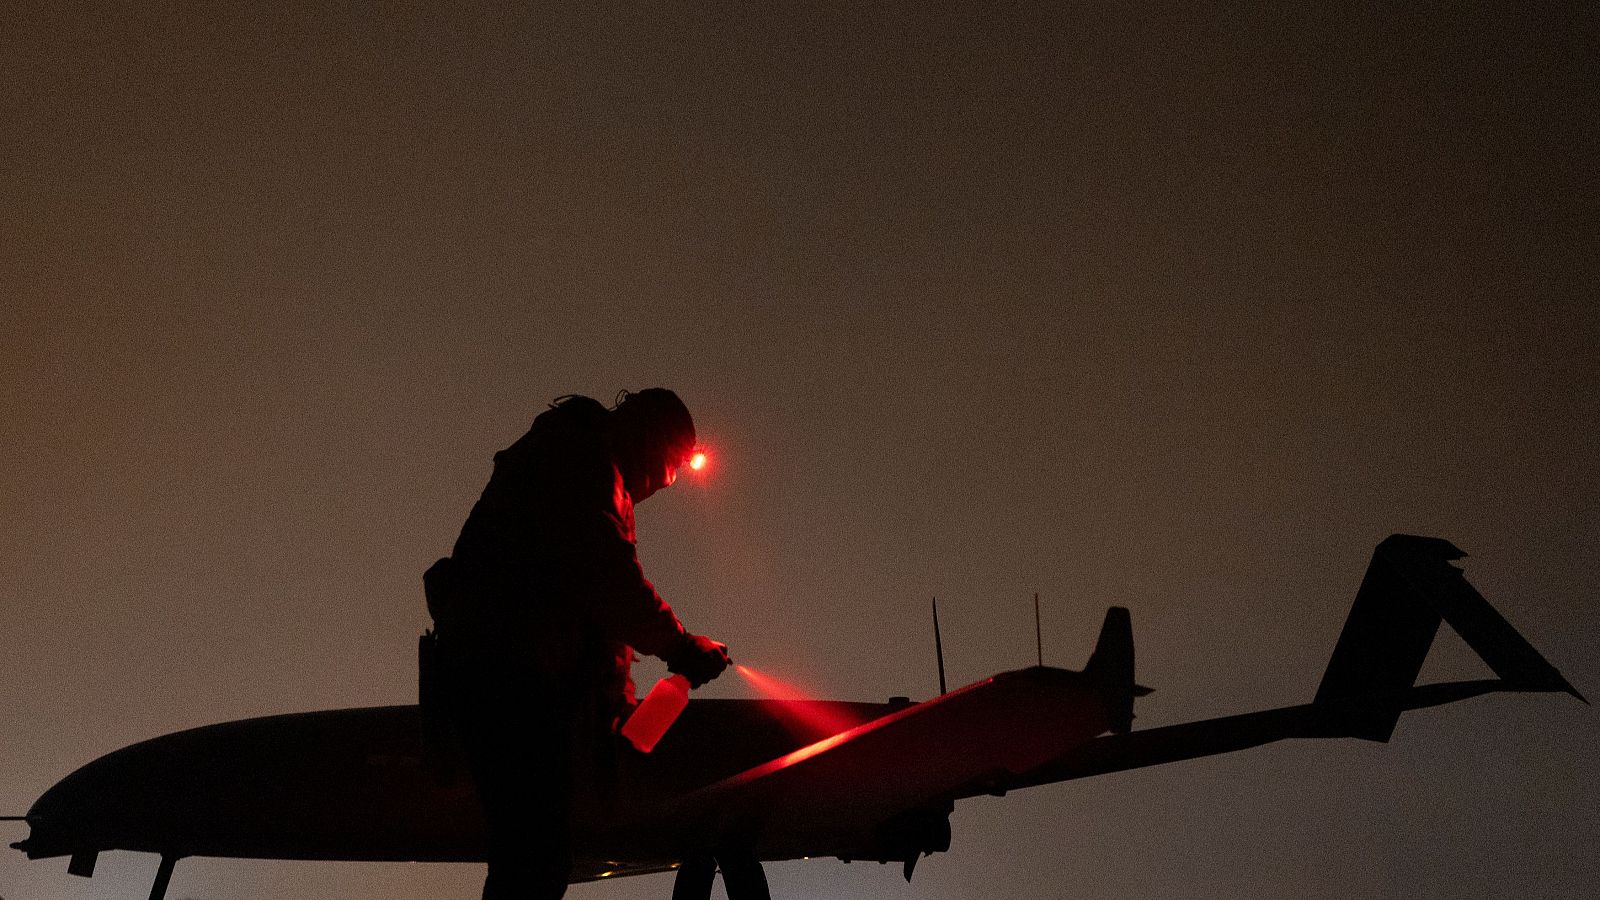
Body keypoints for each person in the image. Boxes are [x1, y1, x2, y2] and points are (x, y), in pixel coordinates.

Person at [425, 389, 730, 900]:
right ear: (649, 437)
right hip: (511, 681)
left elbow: (589, 601)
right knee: (533, 858)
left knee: (532, 854)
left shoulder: (570, 457)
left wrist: (618, 712)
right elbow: (606, 577)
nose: (664, 483)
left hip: (500, 673)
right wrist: (679, 647)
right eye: (669, 466)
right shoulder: (583, 463)